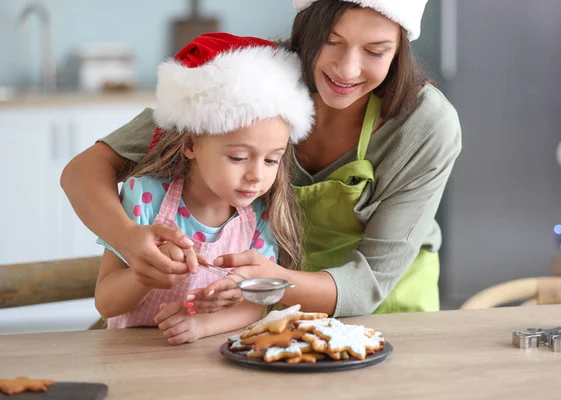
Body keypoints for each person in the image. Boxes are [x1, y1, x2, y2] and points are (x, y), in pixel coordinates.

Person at [61, 0, 462, 318]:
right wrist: (128, 239)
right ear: (306, 28)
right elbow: (84, 170)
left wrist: (275, 282)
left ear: (400, 49)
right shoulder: (253, 76)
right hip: (258, 307)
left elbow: (371, 281)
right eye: (332, 41)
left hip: (386, 311)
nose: (347, 68)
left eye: (376, 50)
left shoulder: (425, 124)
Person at [93, 32, 314, 345]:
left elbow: (255, 305)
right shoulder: (144, 197)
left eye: (271, 160)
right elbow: (106, 302)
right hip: (130, 359)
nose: (255, 176)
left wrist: (203, 326)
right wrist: (147, 273)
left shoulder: (259, 215)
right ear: (191, 144)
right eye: (238, 157)